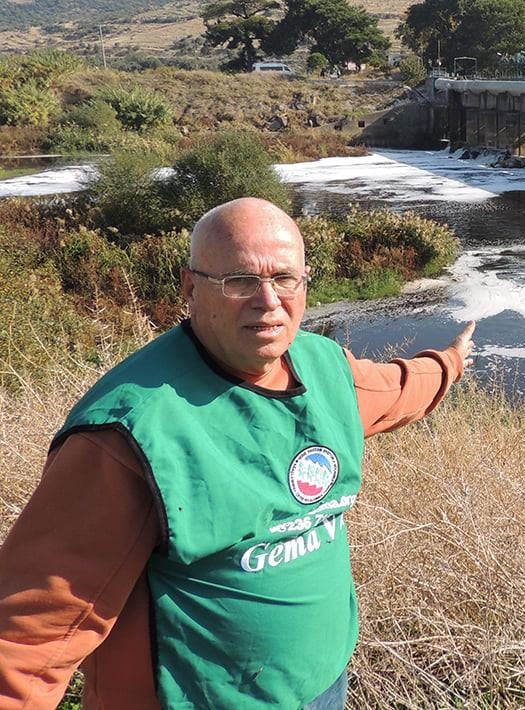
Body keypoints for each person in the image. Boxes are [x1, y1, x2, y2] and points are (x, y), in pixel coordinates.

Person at [0, 198, 475, 709]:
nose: (268, 300)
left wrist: (448, 362)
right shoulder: (129, 436)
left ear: (306, 281)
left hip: (323, 682)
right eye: (240, 281)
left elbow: (394, 390)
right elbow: (29, 638)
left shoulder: (324, 368)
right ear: (189, 287)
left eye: (285, 278)